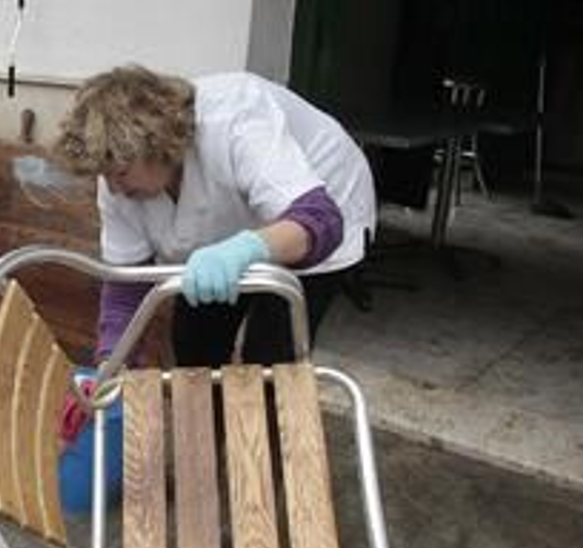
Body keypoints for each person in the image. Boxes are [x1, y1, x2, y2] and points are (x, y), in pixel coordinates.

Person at [53, 65, 375, 372]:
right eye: (104, 177)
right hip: (227, 227)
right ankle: (210, 428)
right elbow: (126, 288)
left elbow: (320, 220)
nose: (113, 188)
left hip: (321, 202)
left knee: (269, 359)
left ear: (160, 145)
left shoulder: (237, 119)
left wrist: (245, 249)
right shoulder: (118, 173)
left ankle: (262, 428)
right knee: (195, 346)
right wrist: (110, 366)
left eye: (120, 174)